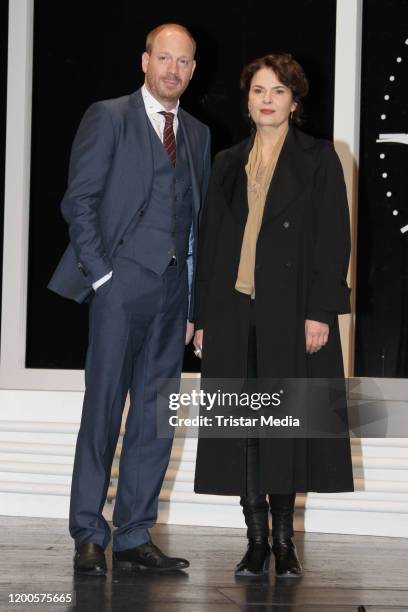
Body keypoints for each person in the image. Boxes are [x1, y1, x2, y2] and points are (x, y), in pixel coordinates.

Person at [48, 23, 211, 575]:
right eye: (164, 58)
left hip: (172, 295)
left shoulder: (196, 133)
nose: (173, 70)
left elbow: (194, 225)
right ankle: (89, 533)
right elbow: (80, 203)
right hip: (120, 288)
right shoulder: (109, 116)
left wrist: (193, 306)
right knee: (103, 412)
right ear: (144, 61)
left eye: (184, 62)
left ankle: (134, 534)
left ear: (192, 69)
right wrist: (102, 279)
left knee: (156, 418)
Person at [193, 53, 354, 578]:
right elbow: (211, 243)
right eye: (259, 90)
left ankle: (285, 542)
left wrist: (321, 311)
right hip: (233, 310)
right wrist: (200, 317)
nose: (267, 99)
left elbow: (334, 239)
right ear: (247, 99)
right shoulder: (226, 162)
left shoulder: (319, 157)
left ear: (294, 101)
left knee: (285, 425)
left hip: (292, 312)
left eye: (278, 91)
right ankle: (255, 539)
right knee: (243, 427)